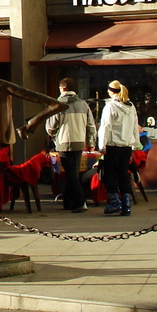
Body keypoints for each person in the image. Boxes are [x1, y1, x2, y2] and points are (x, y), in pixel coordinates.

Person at [48, 78, 94, 213]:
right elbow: (91, 125)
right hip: (80, 142)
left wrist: (54, 136)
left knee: (71, 174)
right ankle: (68, 202)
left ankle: (80, 201)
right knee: (72, 173)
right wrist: (91, 143)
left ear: (62, 88)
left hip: (64, 142)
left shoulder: (57, 104)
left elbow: (51, 127)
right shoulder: (83, 104)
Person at [98, 80, 141, 216]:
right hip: (127, 145)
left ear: (111, 91)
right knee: (123, 174)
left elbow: (106, 127)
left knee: (109, 174)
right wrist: (135, 143)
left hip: (113, 145)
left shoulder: (110, 106)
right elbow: (135, 126)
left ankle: (114, 201)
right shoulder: (131, 106)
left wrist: (102, 145)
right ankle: (126, 204)